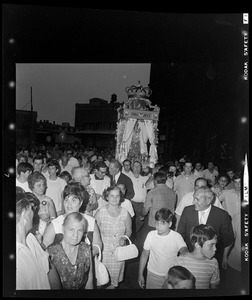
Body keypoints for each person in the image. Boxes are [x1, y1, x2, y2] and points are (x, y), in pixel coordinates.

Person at [177, 186, 235, 287]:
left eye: (197, 199)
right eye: (194, 198)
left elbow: (228, 238)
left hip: (210, 260)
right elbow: (180, 234)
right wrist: (184, 250)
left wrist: (221, 254)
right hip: (189, 258)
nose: (193, 201)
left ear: (209, 200)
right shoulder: (187, 211)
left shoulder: (222, 215)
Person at [42, 182, 102, 257]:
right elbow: (44, 247)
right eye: (66, 200)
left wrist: (88, 254)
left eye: (73, 200)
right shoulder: (55, 224)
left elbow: (98, 243)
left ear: (80, 203)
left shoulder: (90, 221)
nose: (69, 204)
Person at [16, 193, 61, 290]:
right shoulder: (16, 257)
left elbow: (49, 266)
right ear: (25, 214)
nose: (34, 214)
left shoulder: (31, 238)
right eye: (31, 210)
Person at [138, 208, 188, 289]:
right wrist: (140, 274)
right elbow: (144, 254)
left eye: (162, 223)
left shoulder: (176, 236)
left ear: (170, 224)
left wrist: (184, 252)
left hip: (170, 276)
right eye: (157, 223)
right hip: (153, 274)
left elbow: (183, 249)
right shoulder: (151, 235)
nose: (158, 226)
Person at [94, 185, 132, 289]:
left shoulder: (125, 213)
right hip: (104, 251)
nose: (114, 199)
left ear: (121, 197)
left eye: (117, 196)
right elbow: (93, 231)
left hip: (118, 251)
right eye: (112, 196)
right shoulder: (100, 212)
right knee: (101, 278)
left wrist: (124, 237)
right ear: (107, 197)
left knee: (114, 282)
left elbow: (129, 230)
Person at [47, 212, 93, 289]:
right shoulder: (51, 253)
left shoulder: (86, 249)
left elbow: (90, 279)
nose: (75, 235)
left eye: (80, 230)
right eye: (71, 229)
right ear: (63, 228)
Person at [172, 224, 220, 289]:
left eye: (215, 245)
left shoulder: (214, 263)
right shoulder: (179, 262)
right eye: (211, 245)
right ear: (197, 245)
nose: (215, 249)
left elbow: (214, 286)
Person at [27, 171, 57, 236]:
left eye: (43, 185)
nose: (42, 188)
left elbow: (53, 218)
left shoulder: (48, 200)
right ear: (32, 186)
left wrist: (46, 223)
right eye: (39, 186)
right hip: (30, 232)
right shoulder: (27, 200)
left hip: (45, 232)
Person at [129, 161, 149, 235]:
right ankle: (133, 237)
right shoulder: (129, 178)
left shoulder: (145, 178)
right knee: (132, 222)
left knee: (140, 222)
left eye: (139, 166)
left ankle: (137, 236)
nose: (137, 168)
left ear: (141, 168)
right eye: (135, 166)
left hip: (142, 204)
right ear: (132, 167)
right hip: (132, 204)